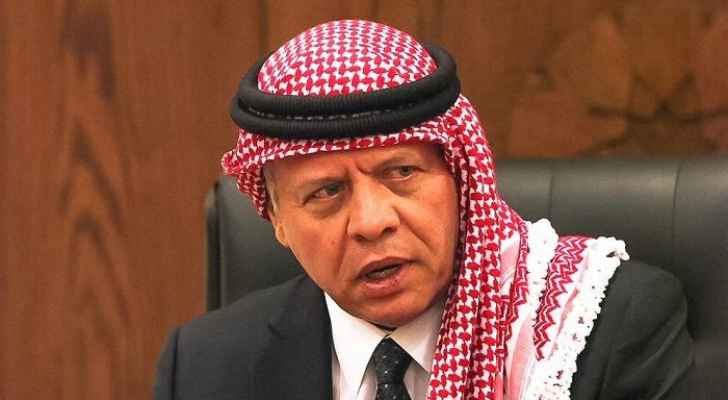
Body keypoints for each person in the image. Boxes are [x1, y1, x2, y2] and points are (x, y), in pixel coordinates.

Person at [154, 20, 693, 400]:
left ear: (459, 180)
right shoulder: (203, 368)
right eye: (326, 193)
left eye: (402, 173)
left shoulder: (608, 326)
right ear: (276, 219)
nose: (372, 222)